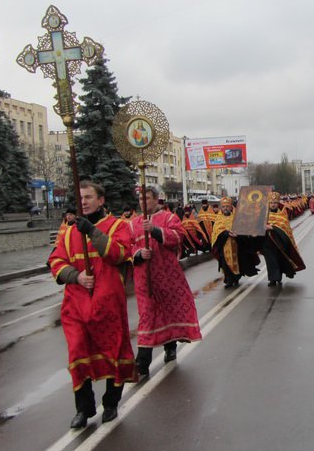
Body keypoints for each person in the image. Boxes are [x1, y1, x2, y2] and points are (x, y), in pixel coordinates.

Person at [48, 181, 137, 429]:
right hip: (76, 303)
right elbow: (56, 260)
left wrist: (92, 232)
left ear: (100, 200)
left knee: (112, 351)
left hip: (108, 303)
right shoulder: (68, 232)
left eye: (88, 197)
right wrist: (75, 276)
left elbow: (118, 253)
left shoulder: (118, 226)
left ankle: (110, 403)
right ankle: (83, 408)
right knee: (77, 351)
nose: (84, 202)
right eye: (81, 198)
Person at [130, 186, 202, 378]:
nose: (143, 202)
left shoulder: (169, 218)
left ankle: (170, 346)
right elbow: (128, 246)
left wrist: (154, 230)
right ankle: (142, 364)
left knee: (169, 313)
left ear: (156, 200)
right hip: (145, 280)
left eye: (147, 198)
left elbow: (177, 237)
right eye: (140, 199)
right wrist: (138, 253)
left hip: (167, 276)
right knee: (147, 317)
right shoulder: (133, 224)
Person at [210, 197, 260, 287]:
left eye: (227, 206)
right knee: (225, 263)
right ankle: (229, 280)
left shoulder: (237, 217)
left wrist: (238, 234)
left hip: (237, 244)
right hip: (224, 244)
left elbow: (243, 227)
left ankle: (236, 278)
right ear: (221, 208)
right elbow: (217, 231)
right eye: (223, 207)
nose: (225, 208)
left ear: (230, 207)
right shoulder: (218, 218)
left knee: (239, 261)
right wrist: (226, 233)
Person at [262, 191, 306, 286]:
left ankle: (278, 276)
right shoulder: (263, 215)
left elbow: (285, 227)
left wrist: (272, 228)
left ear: (278, 203)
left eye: (275, 203)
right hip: (267, 241)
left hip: (279, 241)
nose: (273, 205)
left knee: (279, 259)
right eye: (271, 203)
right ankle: (273, 279)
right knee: (270, 260)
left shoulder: (282, 213)